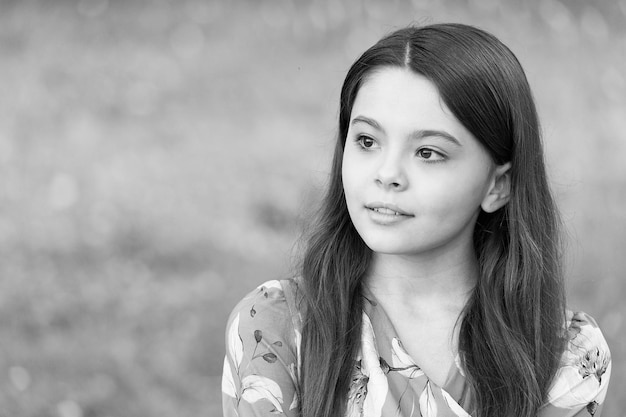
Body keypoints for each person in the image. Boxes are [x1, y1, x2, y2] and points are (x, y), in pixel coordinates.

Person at [221, 23, 611, 417]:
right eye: (367, 141)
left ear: (498, 185)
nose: (387, 173)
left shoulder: (566, 354)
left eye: (427, 152)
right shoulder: (276, 327)